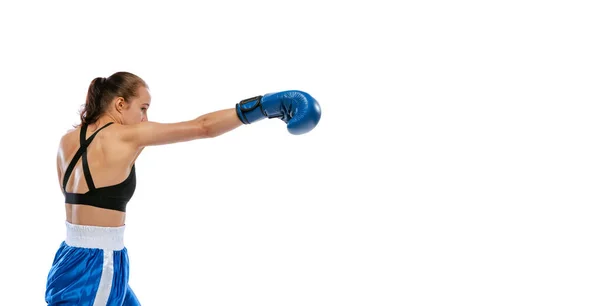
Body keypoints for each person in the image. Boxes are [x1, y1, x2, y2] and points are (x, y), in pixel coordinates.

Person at [45, 71, 321, 305]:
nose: (145, 117)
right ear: (119, 104)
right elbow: (202, 127)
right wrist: (263, 107)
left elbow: (82, 200)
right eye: (142, 107)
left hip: (70, 256)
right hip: (99, 265)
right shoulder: (127, 136)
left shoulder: (66, 142)